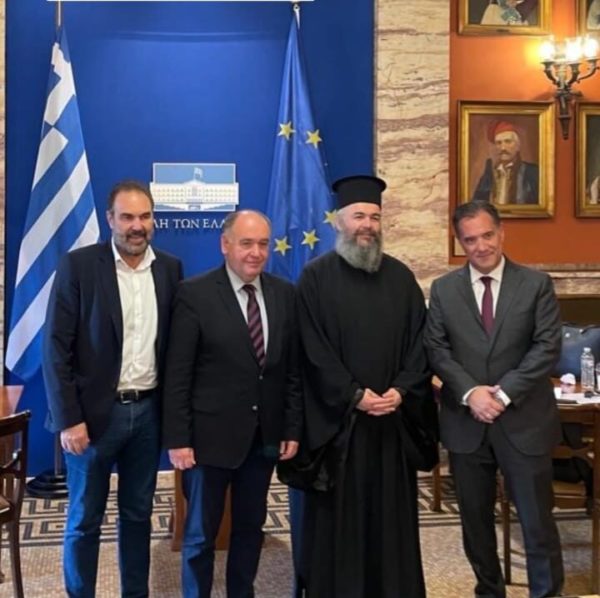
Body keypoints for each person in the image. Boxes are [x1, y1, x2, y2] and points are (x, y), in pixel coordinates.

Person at [296, 175, 437, 598]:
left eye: (375, 217)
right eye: (359, 216)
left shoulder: (402, 279)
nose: (368, 226)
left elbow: (421, 344)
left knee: (391, 521)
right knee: (339, 523)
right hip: (341, 431)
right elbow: (312, 349)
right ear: (339, 221)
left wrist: (401, 390)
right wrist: (354, 395)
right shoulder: (315, 279)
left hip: (392, 426)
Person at [43, 180, 183, 597]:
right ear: (110, 220)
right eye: (127, 217)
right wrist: (69, 419)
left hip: (148, 415)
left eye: (145, 216)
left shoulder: (170, 269)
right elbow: (55, 348)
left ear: (154, 220)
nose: (137, 226)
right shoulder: (79, 266)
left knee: (137, 515)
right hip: (91, 420)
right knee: (84, 520)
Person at [424, 200, 564, 598]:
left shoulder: (536, 284)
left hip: (524, 422)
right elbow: (437, 349)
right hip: (467, 426)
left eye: (487, 235)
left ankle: (547, 594)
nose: (481, 246)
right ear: (460, 243)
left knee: (537, 524)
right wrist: (471, 393)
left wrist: (501, 394)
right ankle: (489, 591)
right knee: (475, 523)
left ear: (502, 233)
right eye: (470, 239)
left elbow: (546, 347)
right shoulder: (444, 289)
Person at [162, 210, 302, 598]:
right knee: (200, 535)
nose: (256, 253)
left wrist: (291, 427)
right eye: (246, 243)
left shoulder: (284, 293)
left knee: (250, 529)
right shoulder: (194, 294)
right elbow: (178, 374)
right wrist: (179, 439)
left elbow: (290, 370)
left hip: (263, 439)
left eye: (263, 244)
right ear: (225, 245)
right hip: (208, 441)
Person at [472, 120, 539, 205]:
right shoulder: (489, 174)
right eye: (498, 143)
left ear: (518, 146)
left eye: (508, 141)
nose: (503, 148)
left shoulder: (532, 172)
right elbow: (477, 205)